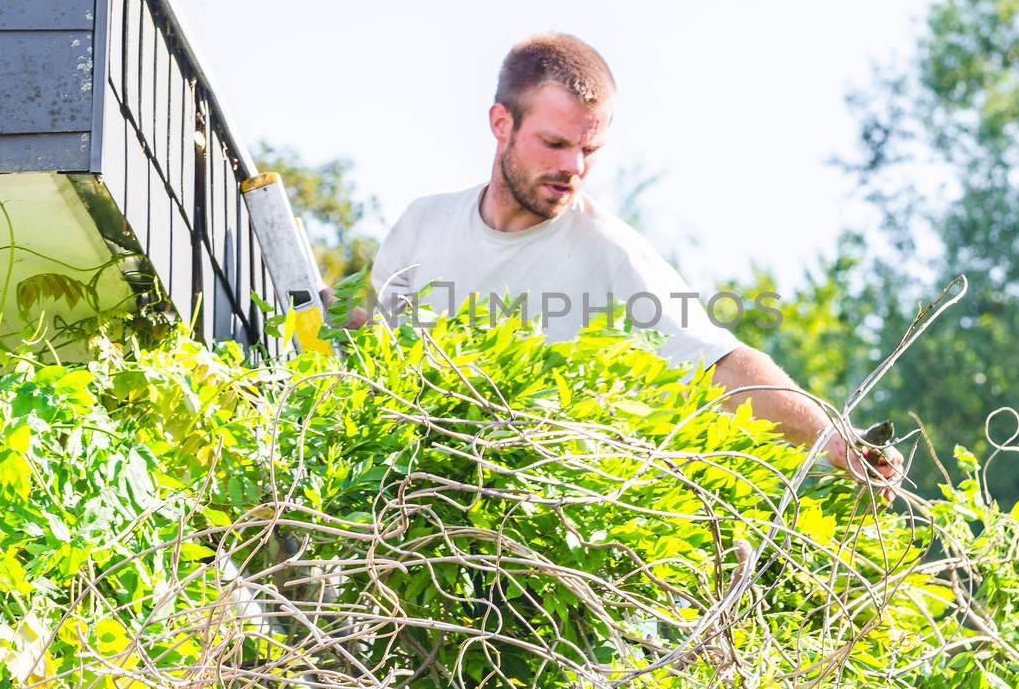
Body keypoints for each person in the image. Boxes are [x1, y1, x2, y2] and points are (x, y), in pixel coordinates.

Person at [343, 33, 898, 488]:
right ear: (501, 124)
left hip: (526, 544)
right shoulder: (423, 224)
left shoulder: (611, 253)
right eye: (555, 143)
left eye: (590, 150)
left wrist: (832, 439)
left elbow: (722, 365)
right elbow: (368, 353)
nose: (574, 167)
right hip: (401, 514)